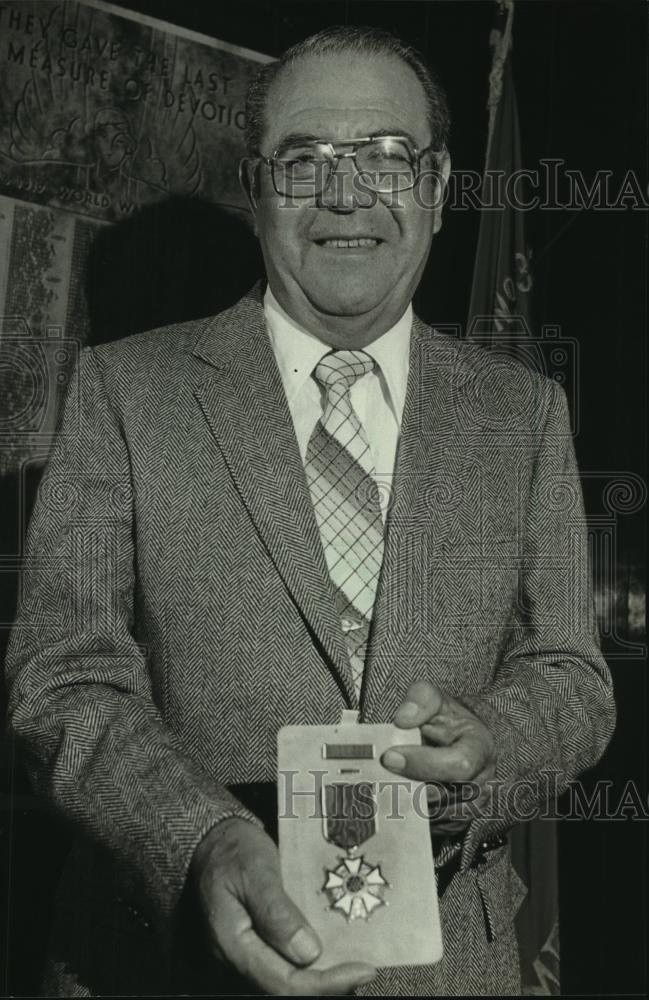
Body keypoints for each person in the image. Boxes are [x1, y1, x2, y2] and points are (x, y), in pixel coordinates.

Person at [5, 25, 615, 997]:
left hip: (450, 963)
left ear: (439, 184)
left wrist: (492, 740)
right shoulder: (126, 391)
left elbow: (570, 676)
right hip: (167, 965)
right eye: (304, 160)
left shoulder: (522, 413)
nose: (345, 194)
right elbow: (60, 678)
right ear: (257, 185)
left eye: (384, 157)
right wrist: (199, 837)